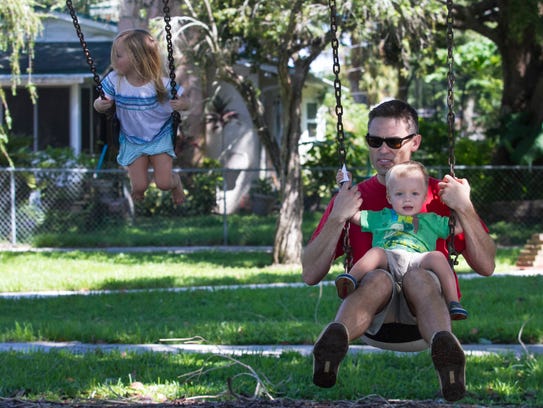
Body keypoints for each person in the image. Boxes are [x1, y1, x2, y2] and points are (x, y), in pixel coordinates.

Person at [301, 99, 495, 402]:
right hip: (371, 318)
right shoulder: (353, 198)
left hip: (424, 319)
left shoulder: (442, 196)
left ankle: (445, 350)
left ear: (414, 142)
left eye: (393, 141)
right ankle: (334, 340)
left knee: (421, 277)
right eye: (374, 141)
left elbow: (486, 265)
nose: (383, 150)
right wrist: (339, 215)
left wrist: (465, 207)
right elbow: (310, 272)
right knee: (377, 277)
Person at [334, 161, 468, 320]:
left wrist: (462, 200)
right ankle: (350, 281)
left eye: (414, 194)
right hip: (388, 260)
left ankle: (453, 302)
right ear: (389, 197)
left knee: (438, 257)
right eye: (399, 194)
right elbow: (353, 215)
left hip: (417, 262)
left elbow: (458, 228)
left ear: (425, 197)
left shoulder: (431, 220)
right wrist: (344, 188)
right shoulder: (382, 216)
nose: (407, 200)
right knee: (376, 253)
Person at [93, 29, 189, 205]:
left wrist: (181, 105)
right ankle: (139, 191)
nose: (114, 59)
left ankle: (176, 184)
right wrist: (100, 105)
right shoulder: (115, 80)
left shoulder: (160, 83)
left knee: (164, 183)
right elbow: (99, 103)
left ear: (137, 58)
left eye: (119, 55)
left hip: (159, 136)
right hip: (131, 139)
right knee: (139, 186)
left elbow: (185, 102)